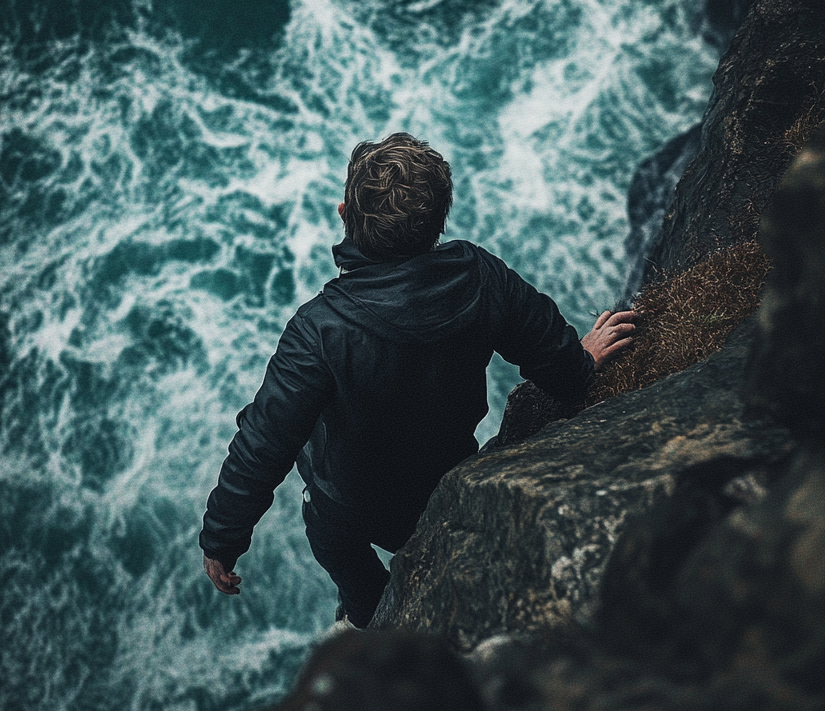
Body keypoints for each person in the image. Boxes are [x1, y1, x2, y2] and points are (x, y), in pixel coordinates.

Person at [200, 133, 637, 627]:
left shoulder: (319, 329)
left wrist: (222, 538)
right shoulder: (478, 276)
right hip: (445, 482)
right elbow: (547, 351)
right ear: (438, 222)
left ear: (345, 214)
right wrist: (582, 363)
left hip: (350, 503)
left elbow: (265, 442)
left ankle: (367, 618)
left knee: (334, 543)